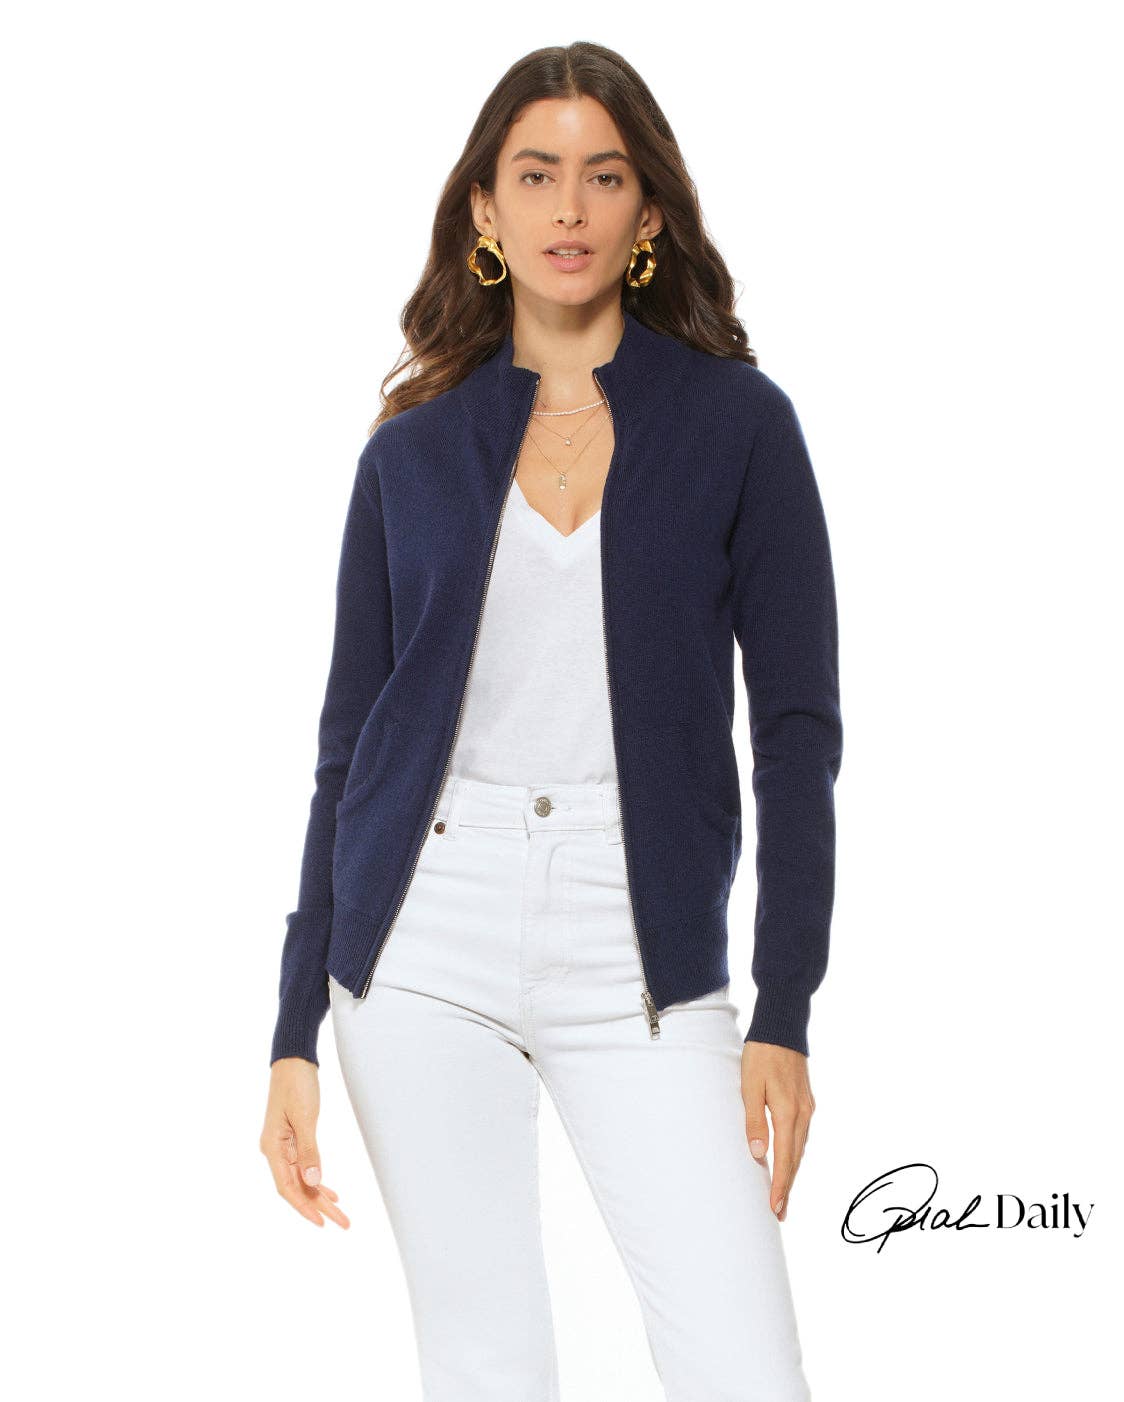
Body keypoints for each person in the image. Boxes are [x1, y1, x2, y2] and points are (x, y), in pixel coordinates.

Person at [260, 40, 841, 1402]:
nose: (568, 208)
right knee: (488, 1367)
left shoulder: (740, 427)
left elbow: (797, 730)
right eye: (534, 176)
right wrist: (292, 1026)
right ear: (486, 208)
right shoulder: (410, 450)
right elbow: (346, 747)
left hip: (640, 944)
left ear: (648, 213)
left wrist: (785, 1008)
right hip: (420, 933)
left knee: (746, 1368)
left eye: (603, 175)